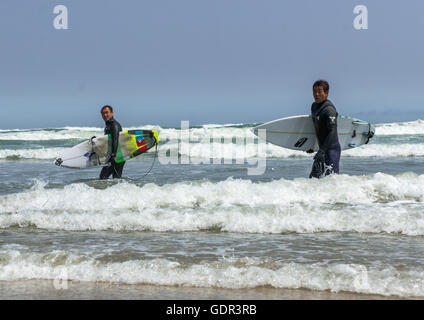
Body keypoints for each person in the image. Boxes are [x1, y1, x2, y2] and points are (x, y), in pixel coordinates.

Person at [308, 80, 341, 178]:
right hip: (321, 151)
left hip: (332, 151)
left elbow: (332, 131)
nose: (316, 94)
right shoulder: (314, 106)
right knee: (313, 179)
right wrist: (311, 145)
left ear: (326, 93)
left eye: (319, 91)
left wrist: (322, 151)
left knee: (331, 180)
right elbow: (316, 129)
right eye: (314, 91)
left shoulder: (329, 110)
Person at [99, 105, 125, 179]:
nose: (105, 115)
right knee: (116, 178)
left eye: (107, 112)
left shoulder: (114, 125)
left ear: (112, 113)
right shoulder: (108, 125)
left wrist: (113, 155)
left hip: (117, 156)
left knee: (103, 177)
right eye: (103, 113)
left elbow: (115, 140)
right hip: (116, 156)